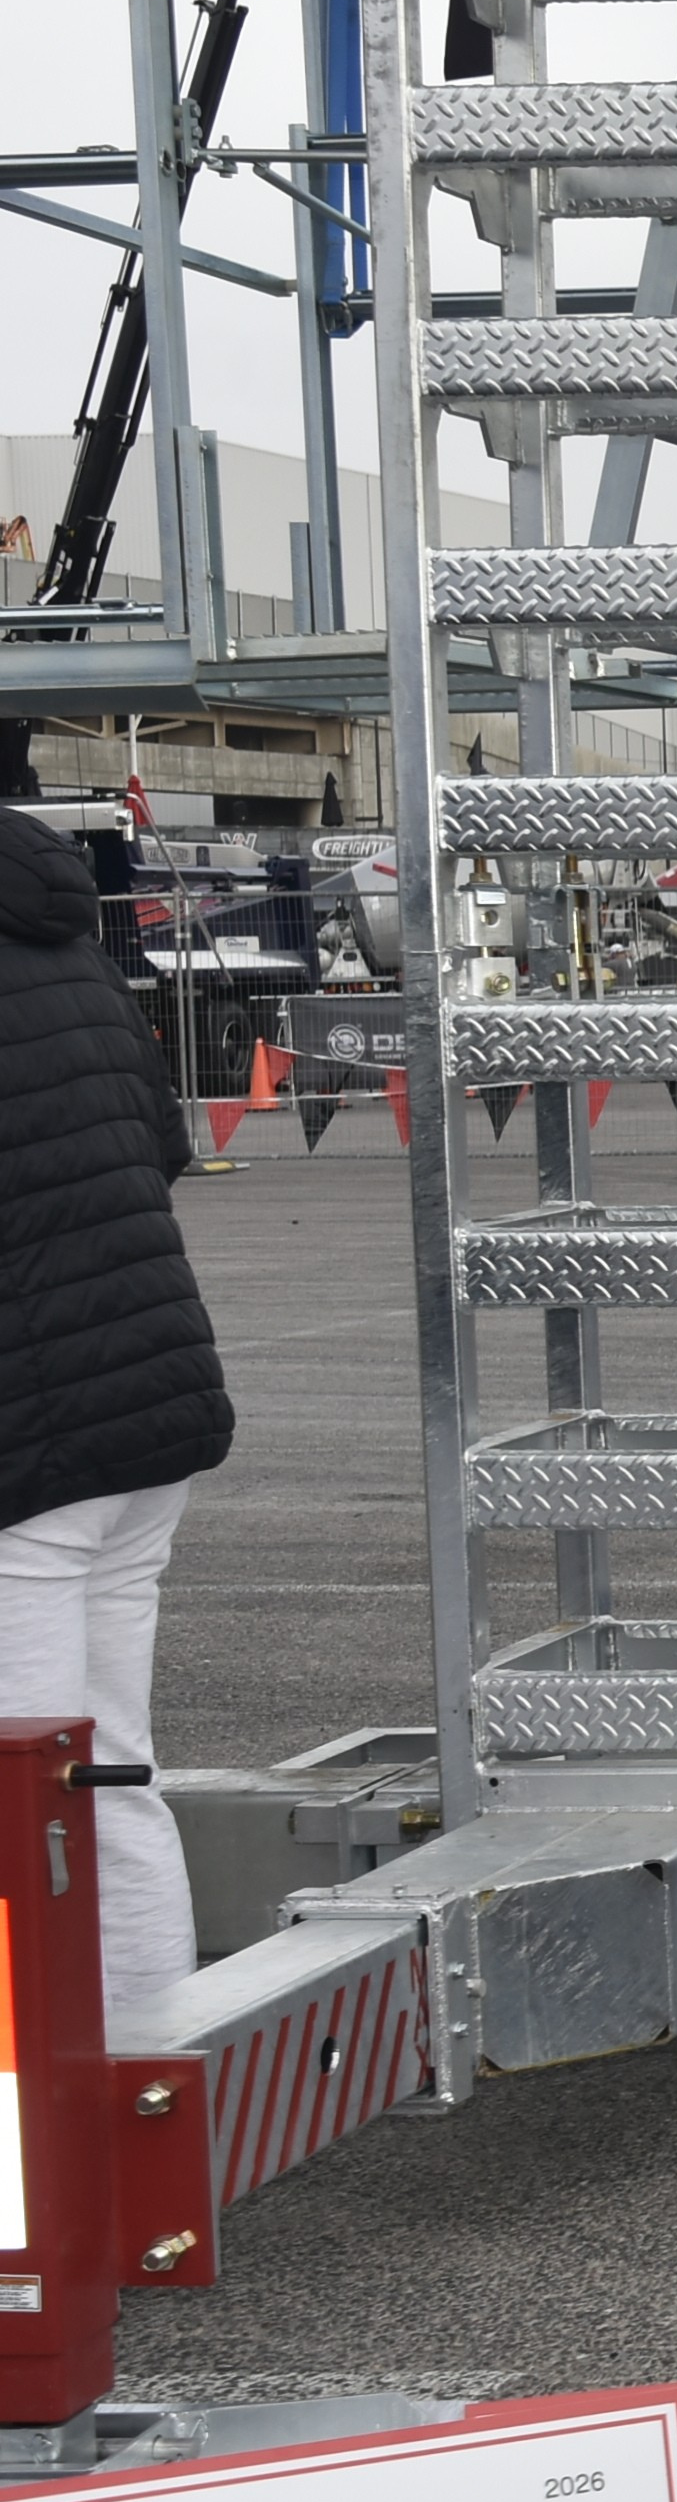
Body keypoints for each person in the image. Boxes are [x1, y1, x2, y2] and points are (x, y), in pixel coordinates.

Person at [0, 800, 223, 2022]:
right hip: (139, 1404)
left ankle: (55, 2110)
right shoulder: (58, 933)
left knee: (26, 1791)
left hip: (29, 1440)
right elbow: (157, 1141)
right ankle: (146, 2070)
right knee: (104, 1774)